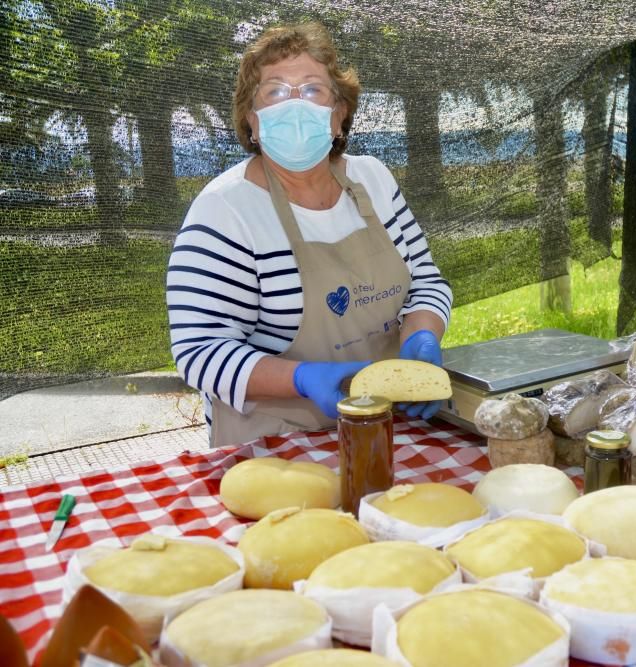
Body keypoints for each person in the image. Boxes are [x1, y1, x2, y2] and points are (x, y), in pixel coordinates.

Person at [166, 22, 452, 447]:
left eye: (313, 90)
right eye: (276, 91)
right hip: (275, 441)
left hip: (386, 422)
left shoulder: (373, 180)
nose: (294, 105)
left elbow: (425, 282)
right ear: (252, 120)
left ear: (339, 115)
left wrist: (422, 335)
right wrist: (301, 378)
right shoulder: (225, 210)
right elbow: (200, 352)